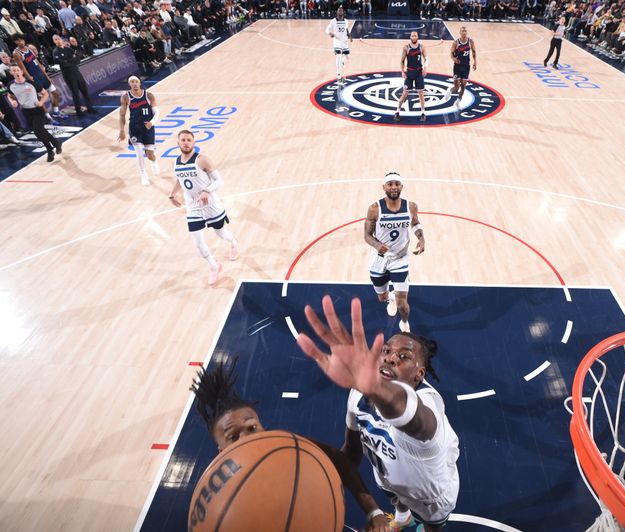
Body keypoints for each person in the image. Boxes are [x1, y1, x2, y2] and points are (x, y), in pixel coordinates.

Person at [297, 296, 460, 532]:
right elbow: (351, 452)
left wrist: (376, 389)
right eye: (387, 350)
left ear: (419, 374)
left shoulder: (428, 403)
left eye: (404, 357)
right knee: (395, 495)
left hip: (429, 495)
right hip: (388, 476)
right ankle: (403, 517)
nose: (392, 357)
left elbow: (418, 423)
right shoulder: (358, 394)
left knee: (431, 528)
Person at [190, 358, 390, 532]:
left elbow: (341, 461)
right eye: (233, 437)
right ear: (221, 451)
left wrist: (373, 512)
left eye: (251, 428)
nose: (246, 439)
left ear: (262, 427)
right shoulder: (214, 495)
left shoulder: (286, 447)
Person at [168, 130, 239, 286]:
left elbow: (219, 181)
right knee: (198, 243)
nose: (186, 142)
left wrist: (207, 190)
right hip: (193, 206)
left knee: (222, 234)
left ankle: (233, 243)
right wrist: (172, 194)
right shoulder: (175, 162)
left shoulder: (202, 160)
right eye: (183, 140)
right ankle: (214, 266)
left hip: (211, 204)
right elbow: (180, 180)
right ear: (178, 143)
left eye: (188, 140)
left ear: (193, 143)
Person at [364, 172, 424, 333]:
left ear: (402, 186)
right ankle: (390, 298)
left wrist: (421, 238)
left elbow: (416, 223)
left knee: (402, 302)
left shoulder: (411, 206)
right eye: (390, 184)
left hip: (400, 259)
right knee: (381, 297)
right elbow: (367, 235)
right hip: (379, 259)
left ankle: (404, 323)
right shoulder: (374, 209)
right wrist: (377, 245)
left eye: (397, 184)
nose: (394, 187)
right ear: (384, 187)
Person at [6, 65, 62, 162]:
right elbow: (10, 95)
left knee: (38, 130)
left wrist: (41, 102)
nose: (16, 72)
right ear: (11, 73)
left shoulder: (31, 83)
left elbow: (45, 93)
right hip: (26, 111)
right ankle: (56, 143)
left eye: (17, 70)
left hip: (37, 109)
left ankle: (49, 150)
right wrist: (12, 102)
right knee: (40, 131)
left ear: (21, 72)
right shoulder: (11, 85)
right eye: (13, 71)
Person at [118, 75, 158, 185]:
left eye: (136, 81)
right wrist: (122, 130)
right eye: (132, 82)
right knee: (139, 151)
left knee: (150, 155)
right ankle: (143, 174)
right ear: (129, 84)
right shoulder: (126, 97)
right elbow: (122, 115)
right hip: (134, 128)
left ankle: (154, 161)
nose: (134, 83)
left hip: (148, 128)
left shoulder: (149, 95)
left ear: (140, 83)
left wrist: (152, 123)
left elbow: (157, 113)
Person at [12, 34, 63, 118]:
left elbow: (38, 63)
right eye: (18, 40)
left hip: (40, 74)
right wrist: (29, 78)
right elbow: (22, 68)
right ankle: (48, 118)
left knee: (56, 93)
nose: (21, 42)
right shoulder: (16, 53)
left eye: (21, 40)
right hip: (33, 77)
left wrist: (46, 76)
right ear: (15, 42)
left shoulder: (29, 49)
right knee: (40, 99)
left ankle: (56, 112)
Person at [51, 34, 95, 117]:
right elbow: (62, 63)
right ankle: (78, 111)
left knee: (84, 90)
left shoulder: (68, 49)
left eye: (58, 39)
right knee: (75, 93)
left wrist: (69, 61)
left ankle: (90, 108)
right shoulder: (56, 51)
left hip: (76, 72)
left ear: (61, 40)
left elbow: (77, 58)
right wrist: (71, 60)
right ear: (54, 41)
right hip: (68, 75)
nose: (58, 40)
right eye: (56, 39)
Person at [395, 32, 427, 122]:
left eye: (415, 35)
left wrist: (425, 68)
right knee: (405, 93)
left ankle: (423, 113)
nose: (414, 37)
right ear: (410, 37)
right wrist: (402, 71)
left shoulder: (421, 47)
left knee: (421, 93)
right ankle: (397, 111)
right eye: (412, 36)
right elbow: (402, 61)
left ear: (417, 37)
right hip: (409, 72)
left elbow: (426, 58)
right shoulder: (406, 47)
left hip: (419, 72)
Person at [449, 26, 477, 106]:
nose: (464, 32)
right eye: (462, 31)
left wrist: (475, 62)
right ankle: (449, 92)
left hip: (466, 66)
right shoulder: (456, 42)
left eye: (465, 31)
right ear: (460, 32)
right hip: (457, 66)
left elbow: (474, 52)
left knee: (463, 86)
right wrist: (453, 59)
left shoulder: (470, 41)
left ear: (466, 32)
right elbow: (451, 54)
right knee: (457, 87)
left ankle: (458, 101)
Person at [326, 7, 352, 84]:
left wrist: (349, 36)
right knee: (338, 56)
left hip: (344, 41)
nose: (340, 12)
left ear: (343, 12)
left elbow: (346, 29)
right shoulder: (333, 21)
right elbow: (327, 29)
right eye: (339, 11)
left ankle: (342, 63)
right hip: (337, 41)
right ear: (337, 12)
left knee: (347, 57)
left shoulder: (346, 21)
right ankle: (339, 76)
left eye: (341, 11)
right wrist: (330, 33)